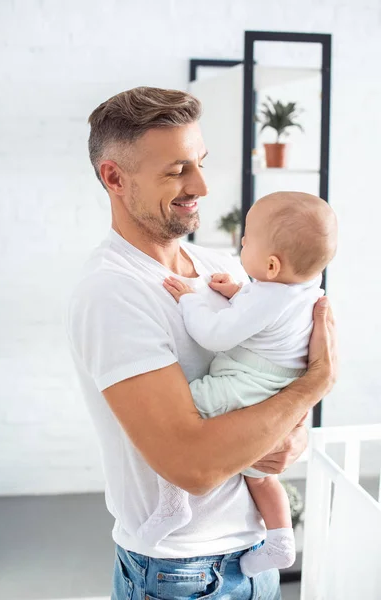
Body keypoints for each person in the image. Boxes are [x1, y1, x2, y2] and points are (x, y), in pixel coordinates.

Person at [66, 87, 337, 600]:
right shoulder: (113, 291)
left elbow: (279, 390)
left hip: (252, 557)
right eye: (176, 171)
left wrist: (290, 440)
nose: (202, 187)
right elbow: (192, 466)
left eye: (201, 163)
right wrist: (315, 385)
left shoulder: (226, 268)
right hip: (182, 572)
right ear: (114, 178)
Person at [137, 192, 337, 579]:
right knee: (259, 472)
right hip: (278, 386)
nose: (240, 245)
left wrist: (190, 301)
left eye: (246, 241)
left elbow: (216, 335)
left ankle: (173, 502)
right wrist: (238, 292)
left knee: (179, 415)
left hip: (246, 382)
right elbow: (267, 309)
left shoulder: (268, 296)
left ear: (272, 264)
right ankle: (279, 540)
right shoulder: (306, 286)